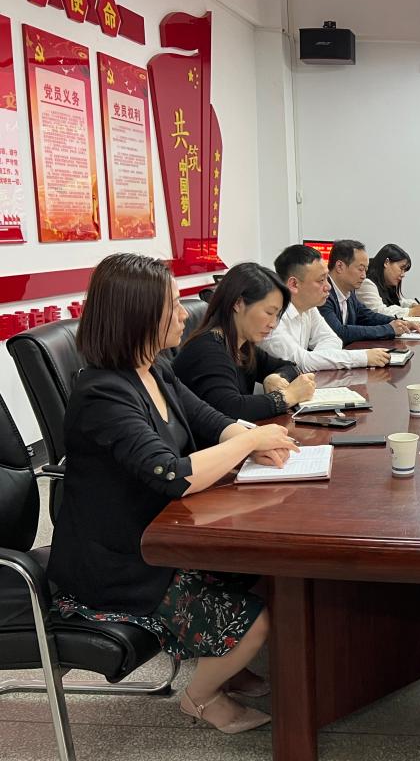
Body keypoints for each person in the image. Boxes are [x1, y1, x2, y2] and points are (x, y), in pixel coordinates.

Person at [48, 253, 301, 733]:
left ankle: (223, 664)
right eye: (172, 306)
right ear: (139, 316)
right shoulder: (102, 395)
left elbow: (207, 417)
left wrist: (250, 437)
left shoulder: (155, 368)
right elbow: (174, 475)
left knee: (261, 571)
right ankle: (199, 697)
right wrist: (248, 442)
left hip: (161, 533)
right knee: (257, 623)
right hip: (120, 562)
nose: (185, 314)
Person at [173, 263, 317, 421]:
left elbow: (289, 366)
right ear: (238, 303)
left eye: (277, 315)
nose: (273, 324)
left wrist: (274, 377)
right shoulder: (207, 350)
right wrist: (287, 396)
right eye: (269, 312)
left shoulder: (243, 346)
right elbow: (231, 408)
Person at [261, 244, 390, 370]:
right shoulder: (271, 320)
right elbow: (301, 363)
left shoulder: (309, 308)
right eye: (321, 280)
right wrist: (363, 357)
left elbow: (332, 339)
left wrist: (316, 359)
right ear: (294, 284)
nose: (328, 286)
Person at [319, 239, 420, 342]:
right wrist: (389, 329)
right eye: (360, 269)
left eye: (365, 270)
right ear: (339, 266)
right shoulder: (322, 294)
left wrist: (402, 323)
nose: (364, 276)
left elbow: (367, 316)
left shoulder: (349, 293)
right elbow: (339, 332)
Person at [358, 243, 420, 318]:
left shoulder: (386, 282)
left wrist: (412, 305)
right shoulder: (366, 283)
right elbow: (379, 312)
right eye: (401, 268)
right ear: (386, 262)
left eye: (405, 271)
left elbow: (396, 302)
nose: (403, 274)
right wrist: (410, 312)